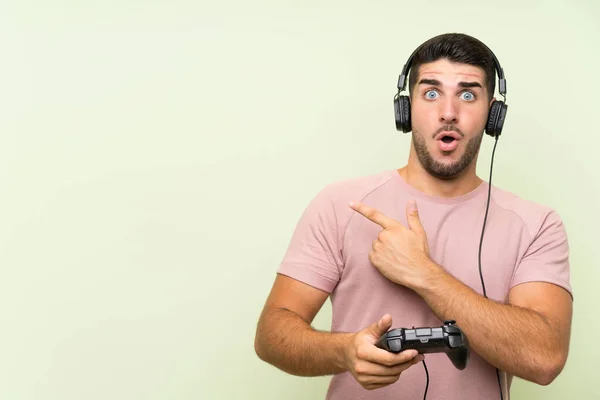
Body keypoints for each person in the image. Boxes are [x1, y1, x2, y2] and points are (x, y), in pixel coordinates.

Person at [253, 33, 573, 400]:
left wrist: (424, 274)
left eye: (468, 94)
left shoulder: (536, 225)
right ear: (406, 109)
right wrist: (343, 351)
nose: (449, 112)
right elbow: (271, 335)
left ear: (492, 115)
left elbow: (545, 358)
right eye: (431, 92)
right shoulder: (341, 204)